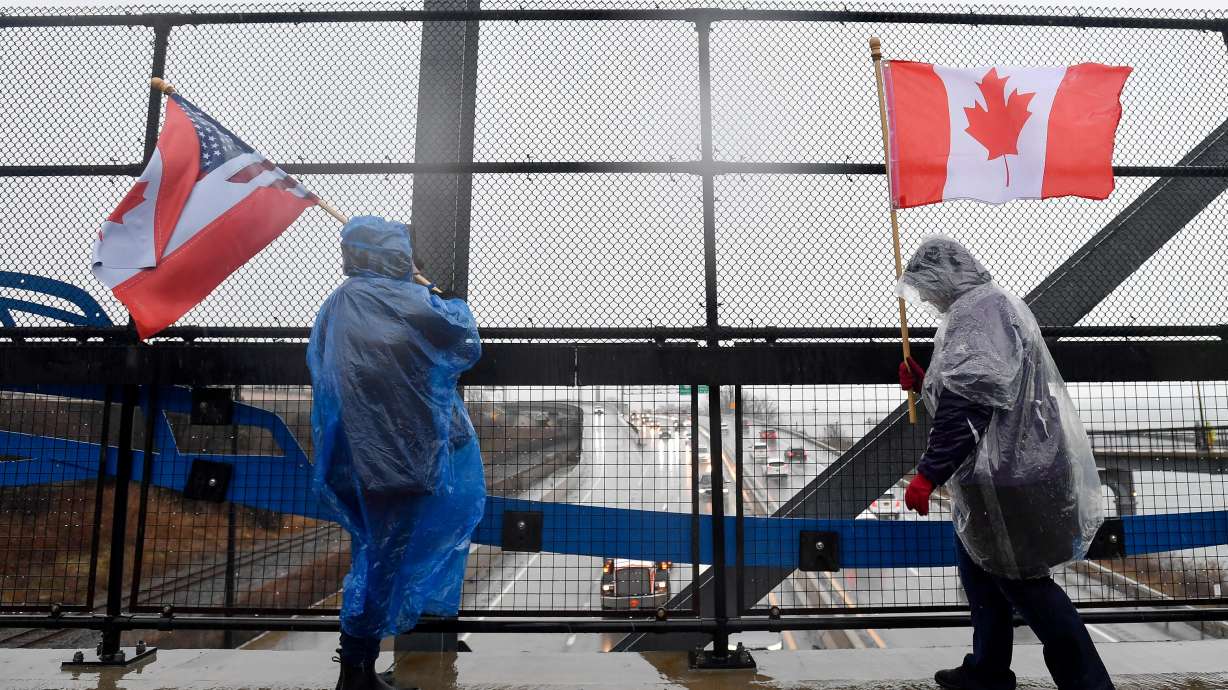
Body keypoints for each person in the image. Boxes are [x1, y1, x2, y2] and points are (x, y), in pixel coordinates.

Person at [895, 235, 1111, 690]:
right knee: (980, 574)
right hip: (1000, 478)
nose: (926, 298)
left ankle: (1090, 685)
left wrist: (928, 473)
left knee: (1026, 585)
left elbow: (971, 401)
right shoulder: (987, 307)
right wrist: (927, 383)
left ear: (943, 276)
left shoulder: (977, 311)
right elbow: (981, 388)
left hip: (1007, 482)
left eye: (926, 287)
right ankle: (988, 669)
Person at [308, 216, 485, 690]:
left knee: (373, 554)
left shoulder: (341, 302)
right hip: (406, 455)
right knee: (385, 559)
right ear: (394, 257)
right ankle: (357, 672)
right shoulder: (407, 300)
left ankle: (356, 667)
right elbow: (463, 338)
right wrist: (442, 295)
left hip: (355, 455)